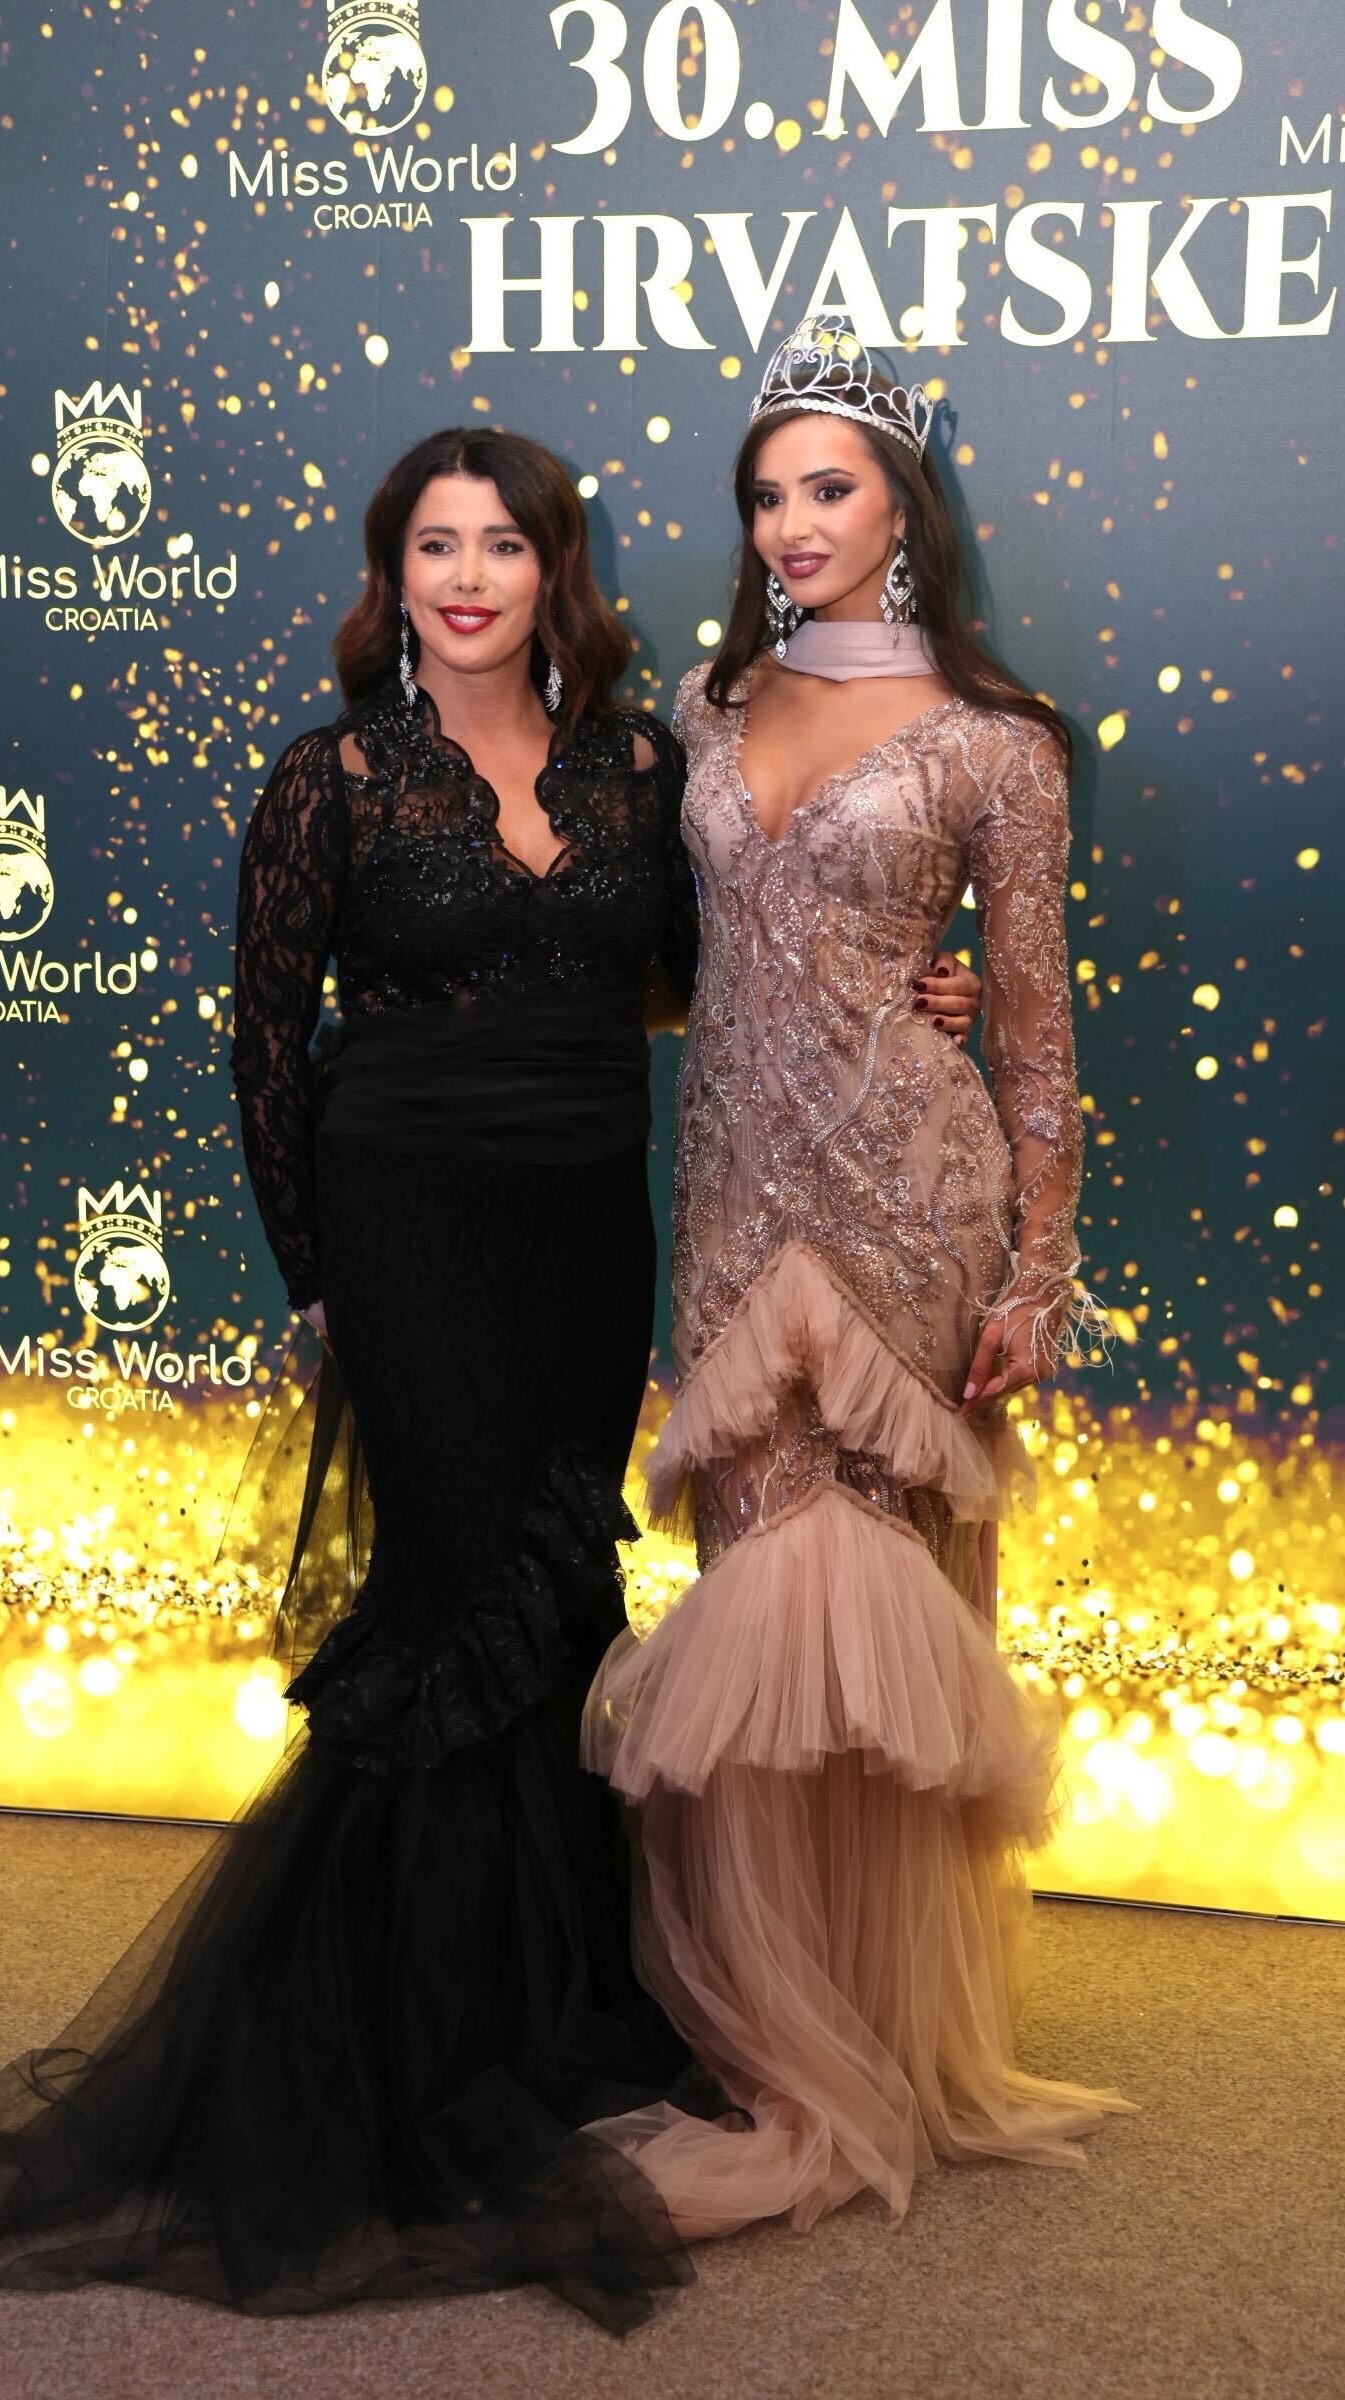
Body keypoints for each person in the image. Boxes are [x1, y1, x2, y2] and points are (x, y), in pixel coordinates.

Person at [0, 418, 988, 2329]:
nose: (470, 577)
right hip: (404, 1221)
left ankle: (553, 2014)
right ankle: (389, 2043)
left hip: (582, 1230)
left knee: (562, 1595)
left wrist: (918, 983)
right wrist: (322, 1282)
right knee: (444, 1602)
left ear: (551, 571)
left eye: (504, 544)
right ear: (391, 575)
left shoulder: (641, 764)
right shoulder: (329, 779)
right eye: (436, 545)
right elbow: (263, 1046)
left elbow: (720, 974)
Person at [583, 316, 1131, 2239]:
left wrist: (1041, 1268)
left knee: (885, 1627)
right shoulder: (706, 710)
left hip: (914, 1198)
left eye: (829, 487)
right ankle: (765, 2028)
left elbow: (1038, 1032)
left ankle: (879, 2047)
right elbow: (685, 960)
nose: (792, 523)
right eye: (766, 494)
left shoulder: (997, 742)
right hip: (736, 1198)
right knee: (751, 1602)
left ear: (906, 506)